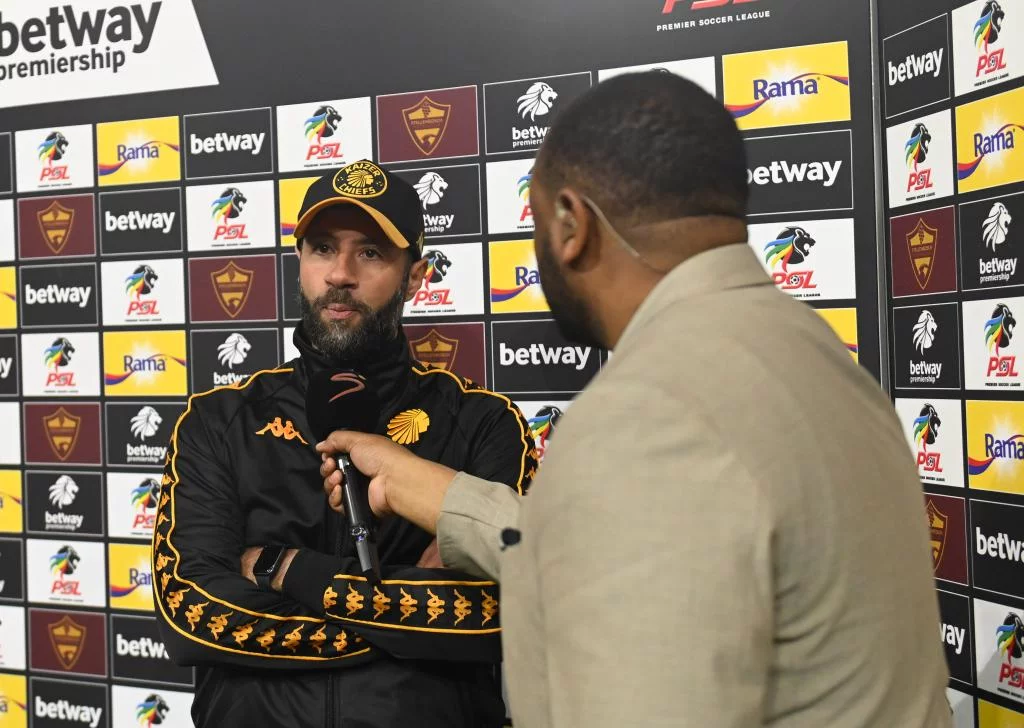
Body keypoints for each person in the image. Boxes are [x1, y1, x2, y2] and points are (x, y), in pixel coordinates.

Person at [317, 74, 953, 727]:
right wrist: (434, 491)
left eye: (536, 222)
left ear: (572, 224)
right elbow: (656, 552)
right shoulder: (817, 356)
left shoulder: (649, 412)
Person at [152, 160, 538, 728]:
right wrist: (409, 624)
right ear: (299, 262)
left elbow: (494, 617)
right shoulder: (219, 421)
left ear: (414, 277)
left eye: (371, 253)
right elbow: (194, 617)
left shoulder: (484, 422)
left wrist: (288, 569)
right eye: (323, 249)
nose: (340, 274)